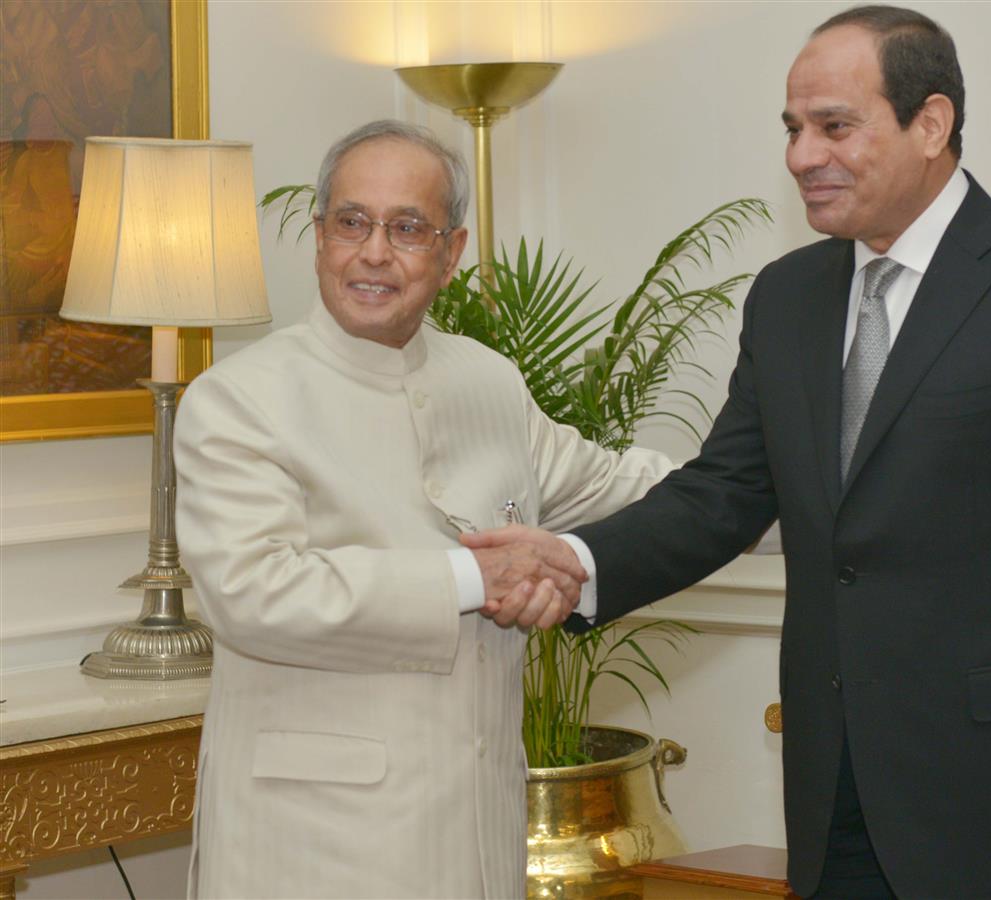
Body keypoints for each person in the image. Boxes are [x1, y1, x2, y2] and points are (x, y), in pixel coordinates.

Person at [462, 6, 991, 897]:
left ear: (930, 124)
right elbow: (722, 494)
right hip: (831, 785)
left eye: (834, 126)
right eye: (793, 128)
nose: (802, 155)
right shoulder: (787, 298)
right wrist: (577, 560)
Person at [173, 119, 671, 898]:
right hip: (308, 850)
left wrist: (796, 495)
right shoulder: (239, 400)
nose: (375, 251)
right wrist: (479, 579)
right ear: (318, 237)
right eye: (351, 222)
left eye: (407, 228)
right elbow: (258, 594)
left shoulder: (490, 382)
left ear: (451, 252)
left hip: (476, 840)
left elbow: (614, 486)